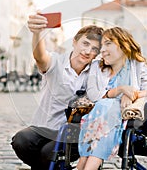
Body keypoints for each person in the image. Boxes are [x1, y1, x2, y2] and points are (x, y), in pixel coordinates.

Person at [11, 12, 104, 170]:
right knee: (21, 140)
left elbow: (128, 60)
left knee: (49, 153)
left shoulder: (97, 70)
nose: (88, 51)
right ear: (74, 42)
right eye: (85, 44)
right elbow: (40, 57)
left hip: (73, 132)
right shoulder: (56, 62)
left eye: (94, 49)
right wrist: (37, 33)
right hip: (44, 126)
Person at [77, 27, 147, 170]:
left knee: (110, 108)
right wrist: (121, 89)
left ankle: (87, 165)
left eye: (108, 44)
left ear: (123, 45)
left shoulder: (137, 66)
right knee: (106, 106)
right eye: (102, 46)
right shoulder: (96, 67)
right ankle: (86, 163)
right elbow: (94, 96)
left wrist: (130, 94)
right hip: (96, 115)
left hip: (123, 117)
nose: (102, 50)